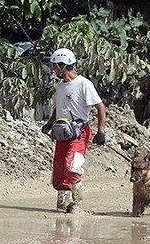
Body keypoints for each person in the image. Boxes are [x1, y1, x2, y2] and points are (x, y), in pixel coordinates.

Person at [41, 48, 106, 213]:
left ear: (63, 65)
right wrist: (49, 123)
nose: (53, 69)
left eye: (55, 66)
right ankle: (63, 203)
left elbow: (100, 107)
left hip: (80, 132)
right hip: (62, 131)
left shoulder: (84, 84)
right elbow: (59, 108)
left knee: (72, 167)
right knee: (60, 168)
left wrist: (101, 131)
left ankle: (78, 203)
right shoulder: (60, 86)